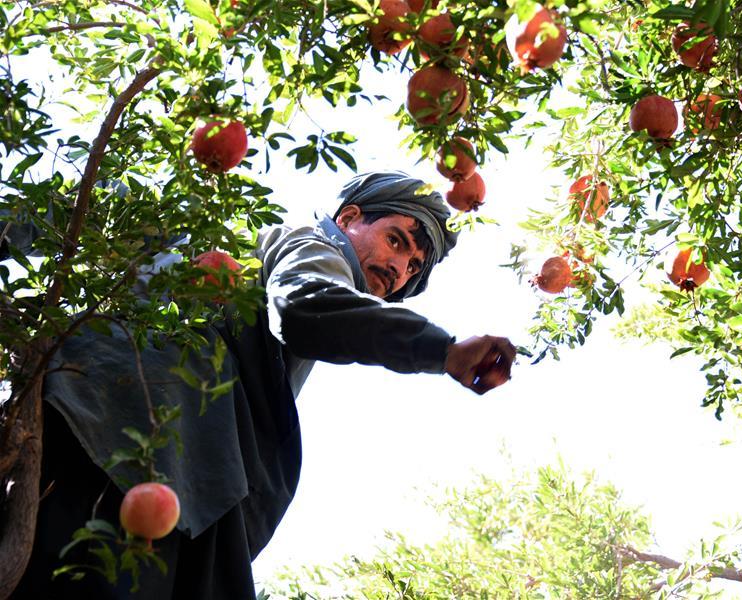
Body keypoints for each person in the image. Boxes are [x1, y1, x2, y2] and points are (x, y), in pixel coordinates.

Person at [5, 171, 515, 599]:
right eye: (397, 240)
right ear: (349, 218)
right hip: (127, 450)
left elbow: (61, 215)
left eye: (412, 268)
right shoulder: (309, 246)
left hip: (172, 478)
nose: (398, 269)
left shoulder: (206, 253)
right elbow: (308, 306)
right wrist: (440, 349)